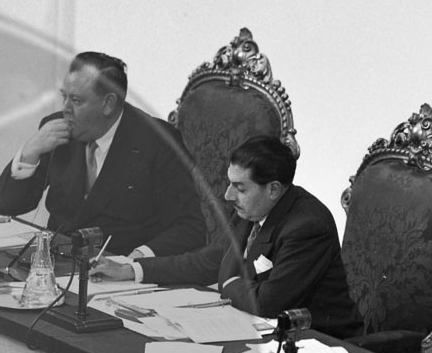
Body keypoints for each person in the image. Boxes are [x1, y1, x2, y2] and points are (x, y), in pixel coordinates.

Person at [93, 135, 362, 337]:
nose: (228, 195)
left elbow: (267, 303)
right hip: (261, 331)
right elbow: (210, 261)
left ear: (273, 189)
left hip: (322, 344)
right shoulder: (252, 207)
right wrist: (132, 269)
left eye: (240, 188)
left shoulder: (308, 226)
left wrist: (229, 281)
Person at [0, 51, 206, 257]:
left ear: (108, 104)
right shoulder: (57, 129)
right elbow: (7, 205)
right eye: (64, 97)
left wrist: (139, 258)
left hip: (119, 266)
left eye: (77, 101)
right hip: (57, 259)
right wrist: (31, 151)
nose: (66, 109)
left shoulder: (158, 141)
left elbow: (190, 226)